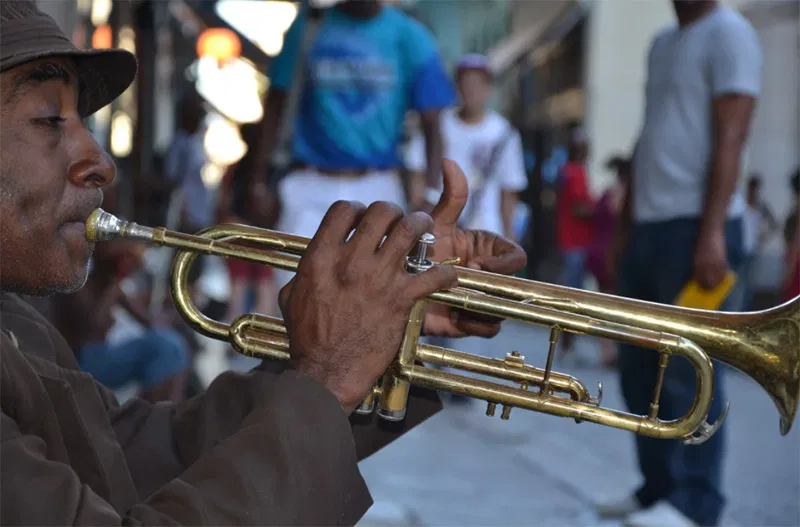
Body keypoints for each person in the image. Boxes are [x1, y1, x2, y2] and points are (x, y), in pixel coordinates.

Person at [0, 2, 526, 524]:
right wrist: (323, 380)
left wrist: (376, 341)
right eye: (50, 120)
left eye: (80, 121)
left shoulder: (17, 322)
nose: (101, 162)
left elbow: (143, 457)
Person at [599, 1, 762, 526]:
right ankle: (657, 491)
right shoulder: (663, 44)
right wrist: (626, 226)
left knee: (690, 374)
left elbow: (732, 136)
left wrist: (712, 232)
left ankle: (695, 504)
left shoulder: (730, 33)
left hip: (698, 227)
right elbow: (652, 136)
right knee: (638, 371)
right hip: (650, 226)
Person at [254, 0, 455, 293]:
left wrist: (431, 193)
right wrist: (259, 180)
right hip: (309, 182)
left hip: (378, 186)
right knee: (294, 294)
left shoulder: (411, 36)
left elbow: (433, 125)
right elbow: (276, 103)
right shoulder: (310, 25)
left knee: (372, 296)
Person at [51, 238, 192, 404]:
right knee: (165, 346)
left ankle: (166, 409)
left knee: (174, 346)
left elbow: (148, 321)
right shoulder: (80, 287)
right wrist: (113, 288)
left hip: (104, 354)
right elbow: (94, 324)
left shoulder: (114, 288)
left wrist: (176, 311)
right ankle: (156, 411)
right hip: (84, 361)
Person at [405, 54, 528, 239]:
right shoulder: (438, 126)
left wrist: (509, 237)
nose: (472, 90)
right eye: (466, 83)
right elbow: (417, 173)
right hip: (437, 230)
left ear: (489, 88)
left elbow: (509, 190)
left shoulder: (504, 133)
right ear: (457, 87)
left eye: (478, 84)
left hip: (485, 232)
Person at [585, 155, 630, 367]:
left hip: (598, 249)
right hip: (612, 253)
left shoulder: (608, 192)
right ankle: (611, 351)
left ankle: (606, 350)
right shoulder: (625, 196)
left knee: (603, 303)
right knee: (616, 305)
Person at [555, 127, 594, 359]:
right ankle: (568, 347)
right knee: (574, 300)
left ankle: (567, 346)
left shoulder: (565, 171)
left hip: (568, 242)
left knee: (571, 296)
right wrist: (602, 207)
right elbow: (580, 208)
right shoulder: (577, 172)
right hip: (577, 243)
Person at [738, 174, 778, 309]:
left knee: (748, 283)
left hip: (752, 249)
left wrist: (763, 237)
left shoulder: (761, 205)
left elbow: (774, 224)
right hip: (740, 248)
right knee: (738, 283)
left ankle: (745, 310)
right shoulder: (742, 203)